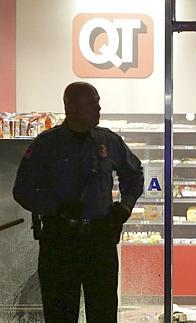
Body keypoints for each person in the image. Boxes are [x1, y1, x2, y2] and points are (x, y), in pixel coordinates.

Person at [13, 82, 144, 323]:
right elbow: (22, 190)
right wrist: (56, 207)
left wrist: (124, 207)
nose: (99, 107)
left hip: (100, 240)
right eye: (92, 102)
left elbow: (134, 173)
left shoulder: (109, 141)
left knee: (103, 313)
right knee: (60, 313)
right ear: (70, 107)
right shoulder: (47, 145)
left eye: (98, 101)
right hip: (60, 242)